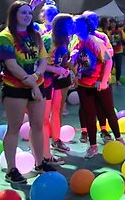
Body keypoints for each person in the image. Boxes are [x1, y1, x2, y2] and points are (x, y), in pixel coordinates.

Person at [0, 0, 55, 184]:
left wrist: (37, 76)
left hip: (36, 85)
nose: (27, 16)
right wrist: (33, 85)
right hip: (15, 88)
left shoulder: (36, 35)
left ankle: (40, 163)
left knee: (38, 125)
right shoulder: (5, 36)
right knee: (13, 128)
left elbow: (43, 60)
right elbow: (12, 65)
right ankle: (11, 169)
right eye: (23, 12)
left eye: (29, 13)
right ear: (14, 15)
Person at [69, 15, 125, 158]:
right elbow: (76, 64)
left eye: (76, 24)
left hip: (100, 84)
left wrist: (104, 80)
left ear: (84, 26)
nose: (73, 26)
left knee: (108, 111)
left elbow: (108, 61)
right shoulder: (76, 42)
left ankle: (119, 139)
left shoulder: (95, 41)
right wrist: (74, 73)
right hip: (84, 85)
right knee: (89, 115)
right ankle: (93, 146)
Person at [42, 14, 74, 162]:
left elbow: (62, 60)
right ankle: (43, 149)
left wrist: (67, 70)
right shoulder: (47, 40)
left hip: (59, 81)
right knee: (44, 116)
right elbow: (39, 64)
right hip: (46, 81)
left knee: (57, 110)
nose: (73, 27)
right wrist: (56, 70)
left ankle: (56, 140)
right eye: (70, 24)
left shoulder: (65, 40)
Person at [108, 18, 125, 85]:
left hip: (119, 51)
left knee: (118, 66)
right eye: (111, 23)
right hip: (110, 52)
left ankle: (117, 80)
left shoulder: (120, 31)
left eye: (114, 22)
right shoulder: (107, 31)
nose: (113, 24)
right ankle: (108, 80)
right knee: (109, 67)